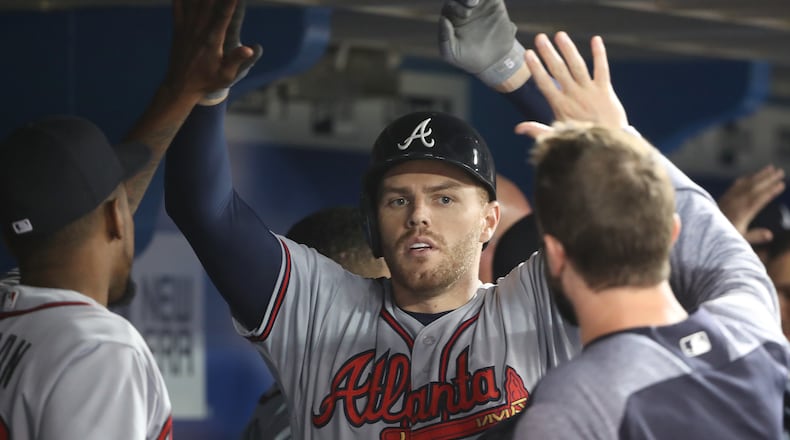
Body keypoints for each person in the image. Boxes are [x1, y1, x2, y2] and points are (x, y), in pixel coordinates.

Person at [164, 5, 778, 439]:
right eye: (397, 200)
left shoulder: (531, 299)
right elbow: (205, 211)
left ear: (490, 220)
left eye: (445, 197)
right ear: (373, 220)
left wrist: (512, 72)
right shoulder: (319, 307)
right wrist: (203, 95)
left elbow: (621, 206)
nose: (419, 215)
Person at [478, 31, 789, 439]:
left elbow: (695, 213)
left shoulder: (578, 404)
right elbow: (699, 216)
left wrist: (614, 136)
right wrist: (617, 134)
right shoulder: (752, 327)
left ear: (555, 254)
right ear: (670, 233)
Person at [0, 0, 261, 438]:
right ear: (115, 219)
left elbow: (100, 203)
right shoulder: (97, 350)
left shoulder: (13, 313)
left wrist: (184, 88)